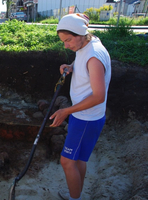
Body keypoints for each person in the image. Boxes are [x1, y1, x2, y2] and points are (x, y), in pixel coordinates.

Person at [49, 13, 111, 200]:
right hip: (89, 116)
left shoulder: (94, 57)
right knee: (79, 160)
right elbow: (82, 62)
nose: (66, 45)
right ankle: (76, 194)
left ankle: (74, 198)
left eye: (68, 40)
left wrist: (66, 110)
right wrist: (71, 67)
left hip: (85, 118)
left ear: (81, 33)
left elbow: (99, 96)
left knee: (67, 161)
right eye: (63, 41)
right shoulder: (88, 43)